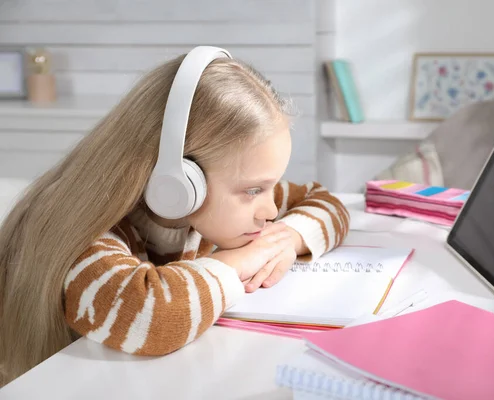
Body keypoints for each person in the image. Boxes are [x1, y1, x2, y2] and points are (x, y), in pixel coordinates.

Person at [0, 47, 349, 386]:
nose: (271, 210)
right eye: (254, 191)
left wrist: (290, 236)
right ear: (179, 183)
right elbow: (150, 317)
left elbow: (328, 203)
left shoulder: (210, 205)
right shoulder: (87, 232)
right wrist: (241, 260)